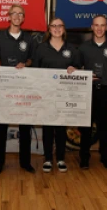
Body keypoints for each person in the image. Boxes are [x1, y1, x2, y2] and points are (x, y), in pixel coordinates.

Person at [0, 4, 36, 174]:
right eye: (13, 13)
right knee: (1, 125)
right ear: (8, 16)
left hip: (24, 87)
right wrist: (2, 69)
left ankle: (25, 162)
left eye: (20, 14)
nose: (17, 16)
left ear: (23, 18)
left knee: (25, 126)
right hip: (4, 87)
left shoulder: (29, 39)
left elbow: (32, 60)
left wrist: (26, 64)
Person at [33, 17, 81, 173]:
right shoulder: (41, 48)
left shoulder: (72, 49)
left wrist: (75, 69)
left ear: (64, 29)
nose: (57, 28)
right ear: (49, 29)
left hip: (64, 95)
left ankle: (60, 158)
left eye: (60, 25)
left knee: (61, 128)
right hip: (46, 94)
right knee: (47, 128)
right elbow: (34, 71)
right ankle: (47, 159)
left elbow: (80, 70)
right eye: (54, 26)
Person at [78, 15, 107, 170]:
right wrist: (83, 74)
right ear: (92, 27)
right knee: (85, 127)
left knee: (105, 127)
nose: (99, 28)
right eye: (96, 25)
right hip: (87, 90)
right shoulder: (83, 47)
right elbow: (77, 68)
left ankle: (105, 157)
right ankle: (84, 158)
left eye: (102, 25)